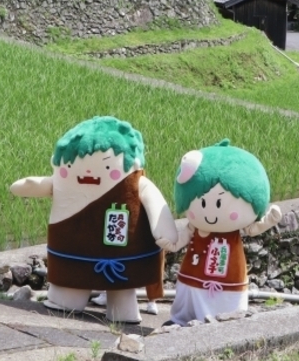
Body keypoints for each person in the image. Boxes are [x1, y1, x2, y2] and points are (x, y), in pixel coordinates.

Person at [10, 116, 177, 324]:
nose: (88, 172)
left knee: (121, 292)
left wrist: (165, 231)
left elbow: (154, 201)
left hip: (117, 261)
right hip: (74, 256)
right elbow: (36, 184)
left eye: (108, 167)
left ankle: (120, 311)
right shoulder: (64, 182)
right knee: (72, 286)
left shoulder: (137, 182)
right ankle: (72, 302)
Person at [168, 140, 282, 325]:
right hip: (193, 274)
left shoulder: (233, 230)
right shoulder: (195, 227)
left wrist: (269, 220)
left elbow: (253, 229)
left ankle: (228, 321)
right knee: (189, 293)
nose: (211, 215)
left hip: (229, 275)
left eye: (219, 204)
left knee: (226, 303)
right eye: (202, 203)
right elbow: (182, 237)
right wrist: (171, 243)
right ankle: (182, 318)